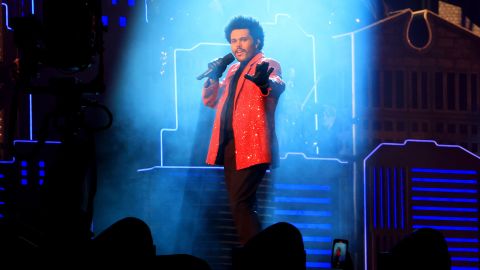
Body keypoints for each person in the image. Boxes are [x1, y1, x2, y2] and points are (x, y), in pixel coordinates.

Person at [201, 16, 285, 245]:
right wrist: (214, 76)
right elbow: (210, 101)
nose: (237, 45)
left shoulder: (266, 64)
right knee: (242, 204)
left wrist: (264, 83)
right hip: (230, 145)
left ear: (257, 42)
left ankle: (255, 258)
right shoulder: (231, 70)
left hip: (252, 146)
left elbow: (277, 84)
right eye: (233, 40)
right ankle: (256, 252)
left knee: (240, 204)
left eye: (243, 39)